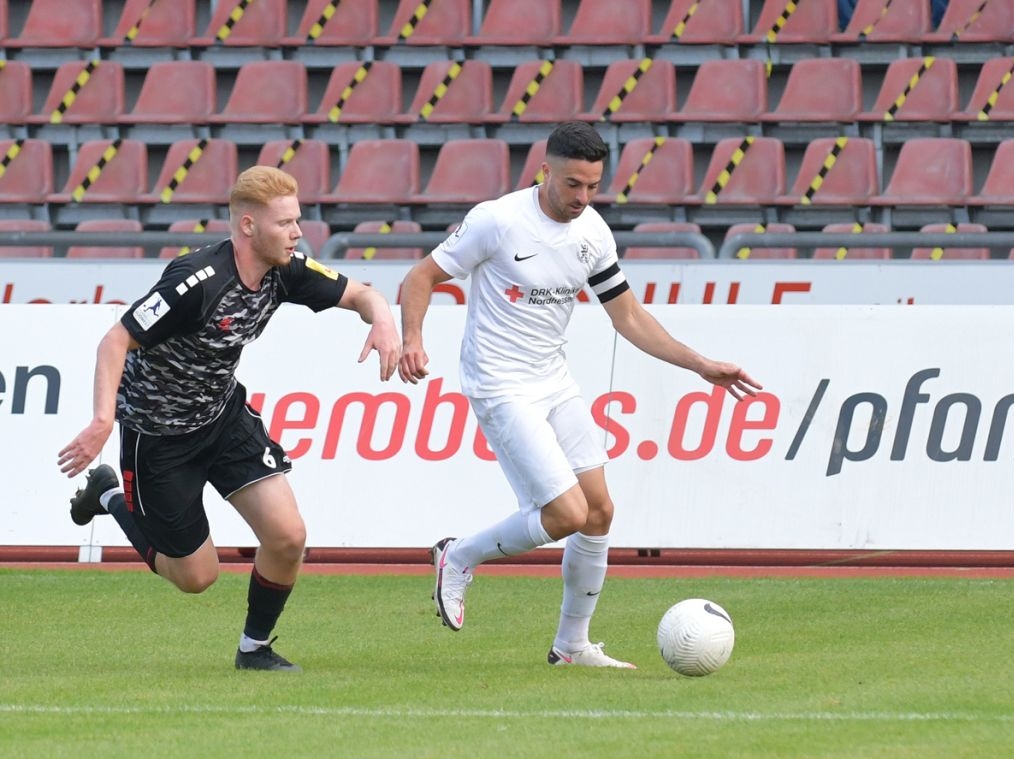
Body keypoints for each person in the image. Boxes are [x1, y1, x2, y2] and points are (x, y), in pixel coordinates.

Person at [398, 122, 759, 667]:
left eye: (593, 186)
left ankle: (571, 647)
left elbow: (629, 316)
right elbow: (421, 277)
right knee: (565, 513)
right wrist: (412, 339)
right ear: (545, 170)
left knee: (599, 512)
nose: (583, 198)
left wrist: (701, 365)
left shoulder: (592, 232)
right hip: (500, 383)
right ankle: (458, 555)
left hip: (554, 381)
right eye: (572, 184)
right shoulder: (497, 220)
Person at [58, 167, 401, 672]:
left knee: (288, 537)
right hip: (158, 436)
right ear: (247, 226)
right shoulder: (196, 281)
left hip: (222, 418)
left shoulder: (287, 269)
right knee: (196, 577)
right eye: (285, 222)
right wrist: (103, 420)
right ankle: (108, 494)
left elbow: (362, 294)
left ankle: (254, 650)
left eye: (297, 220)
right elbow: (115, 340)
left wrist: (386, 323)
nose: (297, 232)